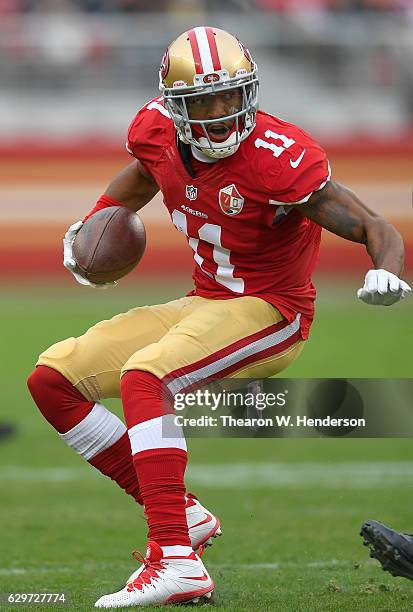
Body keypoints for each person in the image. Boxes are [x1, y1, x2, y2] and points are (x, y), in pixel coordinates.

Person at [27, 26, 411, 608]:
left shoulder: (279, 158)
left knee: (146, 376)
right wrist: (92, 227)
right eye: (203, 101)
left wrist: (386, 268)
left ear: (250, 92)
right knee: (53, 379)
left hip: (271, 312)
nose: (220, 115)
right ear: (174, 106)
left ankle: (175, 559)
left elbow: (373, 225)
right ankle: (181, 512)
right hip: (207, 300)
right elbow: (138, 178)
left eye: (231, 97)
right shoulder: (155, 130)